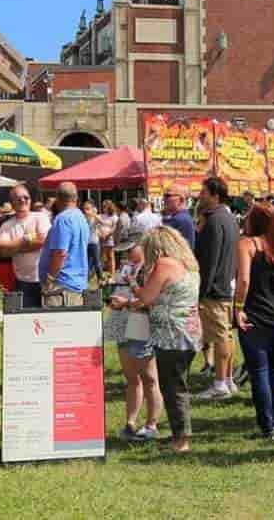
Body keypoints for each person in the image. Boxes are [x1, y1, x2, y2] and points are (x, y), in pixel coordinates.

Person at [131, 226, 201, 453]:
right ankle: (180, 434)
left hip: (172, 335)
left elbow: (147, 297)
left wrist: (132, 282)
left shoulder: (164, 264)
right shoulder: (189, 265)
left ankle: (181, 440)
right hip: (189, 333)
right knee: (179, 385)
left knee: (173, 388)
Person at [234, 203, 274, 440]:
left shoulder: (247, 244)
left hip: (255, 314)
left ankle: (267, 426)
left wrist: (237, 308)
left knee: (259, 371)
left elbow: (244, 280)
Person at [106, 234, 163, 442]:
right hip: (122, 321)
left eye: (131, 249)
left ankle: (151, 424)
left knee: (149, 378)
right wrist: (113, 300)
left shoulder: (152, 269)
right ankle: (130, 423)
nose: (127, 254)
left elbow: (149, 302)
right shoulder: (126, 267)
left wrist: (126, 302)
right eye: (125, 250)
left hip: (140, 322)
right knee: (131, 377)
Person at [193, 176, 238, 400]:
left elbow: (209, 260)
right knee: (227, 335)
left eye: (204, 192)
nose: (201, 196)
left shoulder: (214, 221)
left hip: (215, 289)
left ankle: (220, 383)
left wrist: (202, 290)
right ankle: (227, 380)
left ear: (215, 195)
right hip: (226, 284)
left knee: (221, 336)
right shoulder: (228, 218)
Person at [0, 183, 49, 307]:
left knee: (48, 321)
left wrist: (14, 248)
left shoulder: (40, 217)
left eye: (26, 197)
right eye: (18, 198)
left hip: (44, 280)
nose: (22, 200)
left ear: (30, 200)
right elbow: (2, 248)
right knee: (26, 320)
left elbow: (43, 240)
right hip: (22, 281)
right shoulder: (6, 225)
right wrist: (27, 239)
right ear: (12, 202)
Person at [38, 182, 90, 308]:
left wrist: (49, 279)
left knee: (56, 326)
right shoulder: (81, 217)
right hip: (75, 284)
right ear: (76, 198)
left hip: (61, 287)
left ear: (58, 198)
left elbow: (60, 253)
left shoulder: (63, 219)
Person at [161, 185, 197, 250]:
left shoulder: (180, 220)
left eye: (167, 196)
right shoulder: (182, 218)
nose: (163, 199)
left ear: (181, 199)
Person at [82, 200, 102, 280]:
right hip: (86, 243)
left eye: (87, 208)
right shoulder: (83, 218)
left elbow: (102, 222)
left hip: (94, 242)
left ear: (92, 209)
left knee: (96, 262)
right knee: (86, 263)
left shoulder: (95, 218)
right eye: (84, 209)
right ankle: (86, 279)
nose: (86, 210)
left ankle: (100, 279)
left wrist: (94, 215)